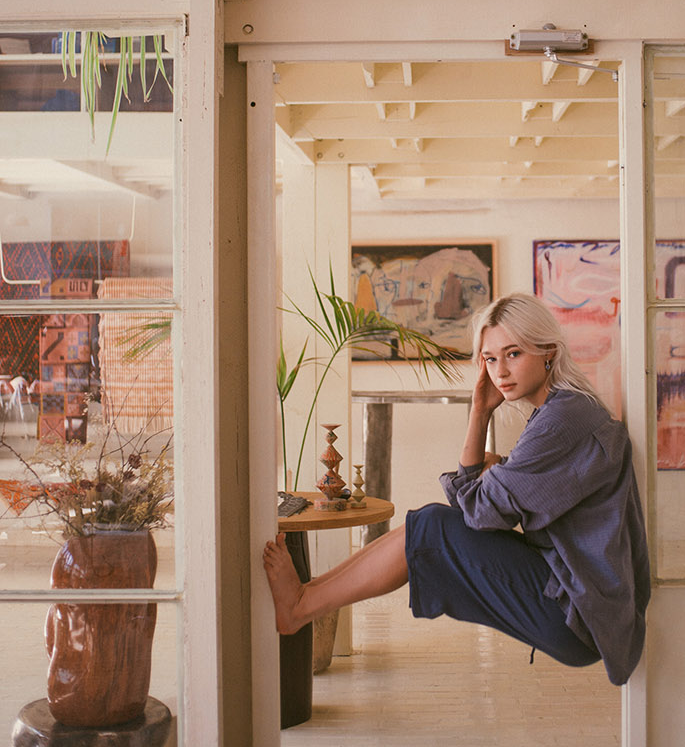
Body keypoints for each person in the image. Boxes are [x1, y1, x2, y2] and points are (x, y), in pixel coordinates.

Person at [263, 292, 650, 685]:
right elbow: (478, 495)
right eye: (490, 359)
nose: (500, 371)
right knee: (427, 524)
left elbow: (478, 511)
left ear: (547, 351)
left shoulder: (562, 420)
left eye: (513, 354)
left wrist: (480, 417)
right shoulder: (564, 412)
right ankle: (305, 596)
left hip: (576, 613)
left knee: (431, 526)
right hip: (576, 602)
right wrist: (483, 424)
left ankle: (301, 605)